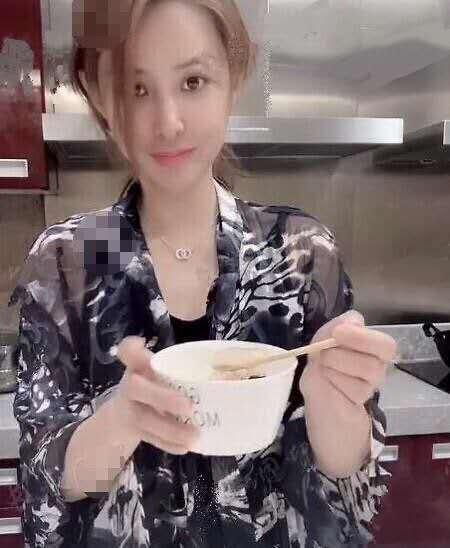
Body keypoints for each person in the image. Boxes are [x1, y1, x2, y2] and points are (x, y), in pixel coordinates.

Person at [10, 1, 397, 546]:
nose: (168, 122)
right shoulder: (65, 264)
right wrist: (120, 422)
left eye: (193, 81)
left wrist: (333, 402)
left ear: (232, 79)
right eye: (137, 89)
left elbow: (350, 487)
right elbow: (46, 490)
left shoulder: (302, 255)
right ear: (99, 97)